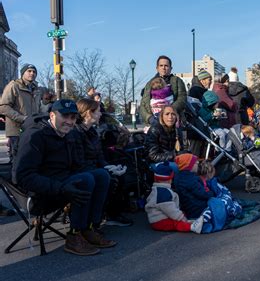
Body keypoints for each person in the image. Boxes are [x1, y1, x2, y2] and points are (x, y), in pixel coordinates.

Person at [13, 99, 116, 256]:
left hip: (61, 182)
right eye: (65, 116)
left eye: (73, 117)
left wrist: (107, 169)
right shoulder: (34, 136)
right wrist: (61, 188)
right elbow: (23, 177)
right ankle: (74, 236)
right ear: (52, 115)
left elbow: (78, 165)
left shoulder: (68, 134)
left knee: (101, 176)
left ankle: (88, 228)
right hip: (37, 193)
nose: (69, 121)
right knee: (85, 181)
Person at [74, 98, 132, 227]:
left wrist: (109, 166)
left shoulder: (92, 131)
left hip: (93, 167)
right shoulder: (76, 132)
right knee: (108, 179)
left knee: (119, 175)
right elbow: (78, 160)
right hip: (83, 170)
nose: (101, 114)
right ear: (89, 113)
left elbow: (99, 155)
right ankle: (94, 222)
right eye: (98, 111)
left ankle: (110, 214)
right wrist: (106, 169)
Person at [145, 161, 203, 233]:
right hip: (159, 221)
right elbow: (170, 209)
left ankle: (190, 222)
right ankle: (192, 227)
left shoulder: (159, 189)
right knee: (176, 223)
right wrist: (181, 218)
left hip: (161, 217)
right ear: (169, 179)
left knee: (180, 215)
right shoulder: (163, 193)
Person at [0, 63, 42, 163]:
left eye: (34, 72)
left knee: (31, 159)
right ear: (23, 73)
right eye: (29, 71)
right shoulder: (13, 86)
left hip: (32, 129)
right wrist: (22, 118)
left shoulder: (36, 89)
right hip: (17, 130)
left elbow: (38, 108)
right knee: (17, 160)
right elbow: (3, 107)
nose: (32, 73)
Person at [140, 55, 187, 125]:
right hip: (154, 121)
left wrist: (168, 112)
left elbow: (182, 98)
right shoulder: (150, 83)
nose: (163, 68)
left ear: (171, 68)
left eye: (166, 66)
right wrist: (149, 118)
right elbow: (143, 104)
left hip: (173, 120)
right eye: (161, 65)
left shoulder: (177, 81)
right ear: (157, 68)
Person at [173, 154, 215, 219]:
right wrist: (212, 193)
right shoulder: (189, 179)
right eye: (195, 162)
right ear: (188, 166)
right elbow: (202, 194)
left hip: (189, 208)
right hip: (197, 209)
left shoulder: (180, 176)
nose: (198, 163)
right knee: (219, 204)